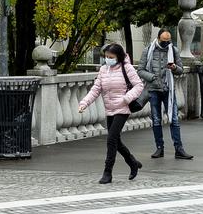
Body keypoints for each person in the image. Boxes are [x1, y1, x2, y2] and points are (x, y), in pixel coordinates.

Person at [79, 43, 144, 184]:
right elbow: (96, 89)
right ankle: (132, 162)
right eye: (106, 57)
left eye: (111, 57)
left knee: (111, 139)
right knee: (116, 141)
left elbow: (139, 85)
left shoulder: (127, 68)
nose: (108, 59)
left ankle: (107, 172)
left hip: (123, 108)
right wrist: (84, 103)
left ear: (118, 57)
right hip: (109, 109)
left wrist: (126, 98)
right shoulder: (103, 70)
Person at [138, 28, 194, 160]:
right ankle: (159, 148)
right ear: (158, 39)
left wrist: (174, 68)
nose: (166, 43)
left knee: (174, 119)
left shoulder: (173, 50)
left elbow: (180, 70)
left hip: (169, 89)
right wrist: (151, 77)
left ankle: (179, 149)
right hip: (153, 90)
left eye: (168, 41)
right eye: (163, 41)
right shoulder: (148, 50)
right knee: (156, 120)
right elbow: (140, 70)